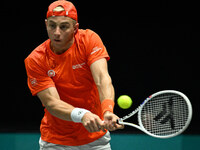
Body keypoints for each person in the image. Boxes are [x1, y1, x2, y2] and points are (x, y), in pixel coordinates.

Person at [25, 0, 123, 149]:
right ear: (46, 24)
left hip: (96, 140)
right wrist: (82, 115)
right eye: (52, 25)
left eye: (64, 26)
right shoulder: (36, 59)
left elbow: (102, 78)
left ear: (75, 28)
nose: (57, 32)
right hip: (56, 141)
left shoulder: (89, 40)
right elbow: (52, 103)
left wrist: (107, 109)